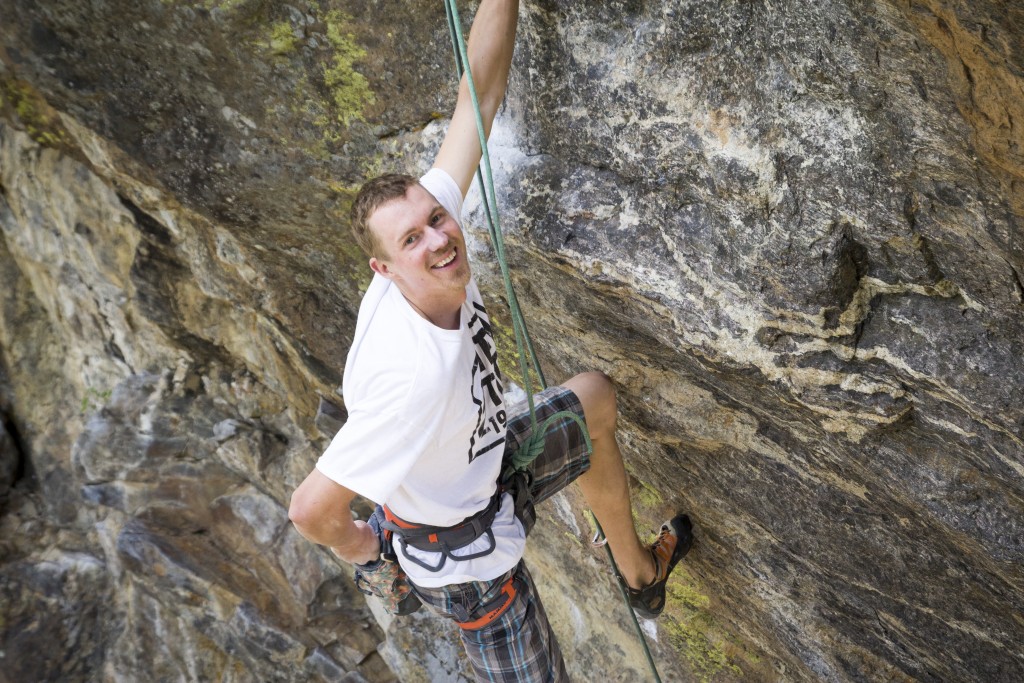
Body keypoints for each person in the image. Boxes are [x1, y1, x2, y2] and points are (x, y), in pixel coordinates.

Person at [288, 1, 693, 679]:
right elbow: (312, 509)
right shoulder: (409, 376)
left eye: (436, 218)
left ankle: (639, 573)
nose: (440, 239)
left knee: (592, 399)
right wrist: (371, 555)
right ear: (383, 270)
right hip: (465, 560)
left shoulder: (429, 248)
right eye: (412, 239)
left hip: (493, 459)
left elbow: (480, 93)